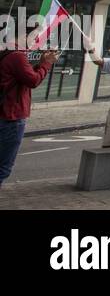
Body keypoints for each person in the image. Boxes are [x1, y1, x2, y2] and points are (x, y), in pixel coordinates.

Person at [0, 47, 57, 189]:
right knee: (3, 167)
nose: (35, 41)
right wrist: (46, 63)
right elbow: (33, 80)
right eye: (32, 36)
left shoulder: (6, 54)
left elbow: (23, 76)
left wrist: (39, 64)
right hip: (11, 117)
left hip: (5, 113)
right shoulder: (17, 56)